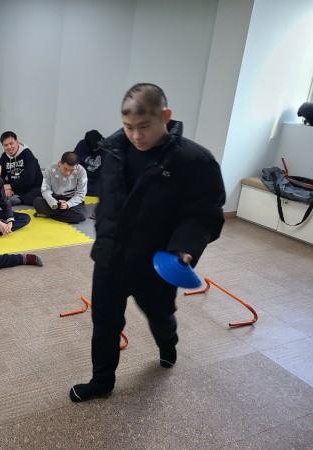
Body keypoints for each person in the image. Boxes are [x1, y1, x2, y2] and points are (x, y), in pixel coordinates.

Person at [69, 83, 226, 403]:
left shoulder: (194, 160)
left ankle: (168, 344)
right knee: (105, 322)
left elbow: (204, 213)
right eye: (129, 127)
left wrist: (185, 247)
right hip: (111, 256)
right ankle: (102, 381)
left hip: (156, 262)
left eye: (144, 126)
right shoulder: (113, 149)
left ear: (165, 116)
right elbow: (110, 200)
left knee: (160, 316)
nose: (136, 136)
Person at [33, 152, 87, 224]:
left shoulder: (81, 171)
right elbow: (45, 189)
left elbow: (81, 193)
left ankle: (48, 214)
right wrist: (53, 202)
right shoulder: (50, 168)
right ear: (60, 162)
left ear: (77, 166)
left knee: (81, 216)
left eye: (72, 170)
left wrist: (68, 204)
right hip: (54, 198)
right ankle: (55, 213)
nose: (68, 173)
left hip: (71, 198)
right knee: (37, 202)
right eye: (65, 169)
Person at [0, 131, 43, 206]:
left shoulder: (27, 153)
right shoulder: (4, 157)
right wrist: (4, 188)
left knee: (39, 195)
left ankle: (18, 198)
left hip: (32, 186)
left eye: (11, 143)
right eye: (5, 145)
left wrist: (10, 186)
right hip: (16, 187)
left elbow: (29, 177)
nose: (9, 147)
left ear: (17, 141)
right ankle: (14, 195)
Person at [73, 129, 104, 197]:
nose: (95, 150)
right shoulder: (81, 145)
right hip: (84, 178)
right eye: (92, 148)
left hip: (100, 180)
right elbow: (74, 161)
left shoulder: (108, 146)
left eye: (97, 147)